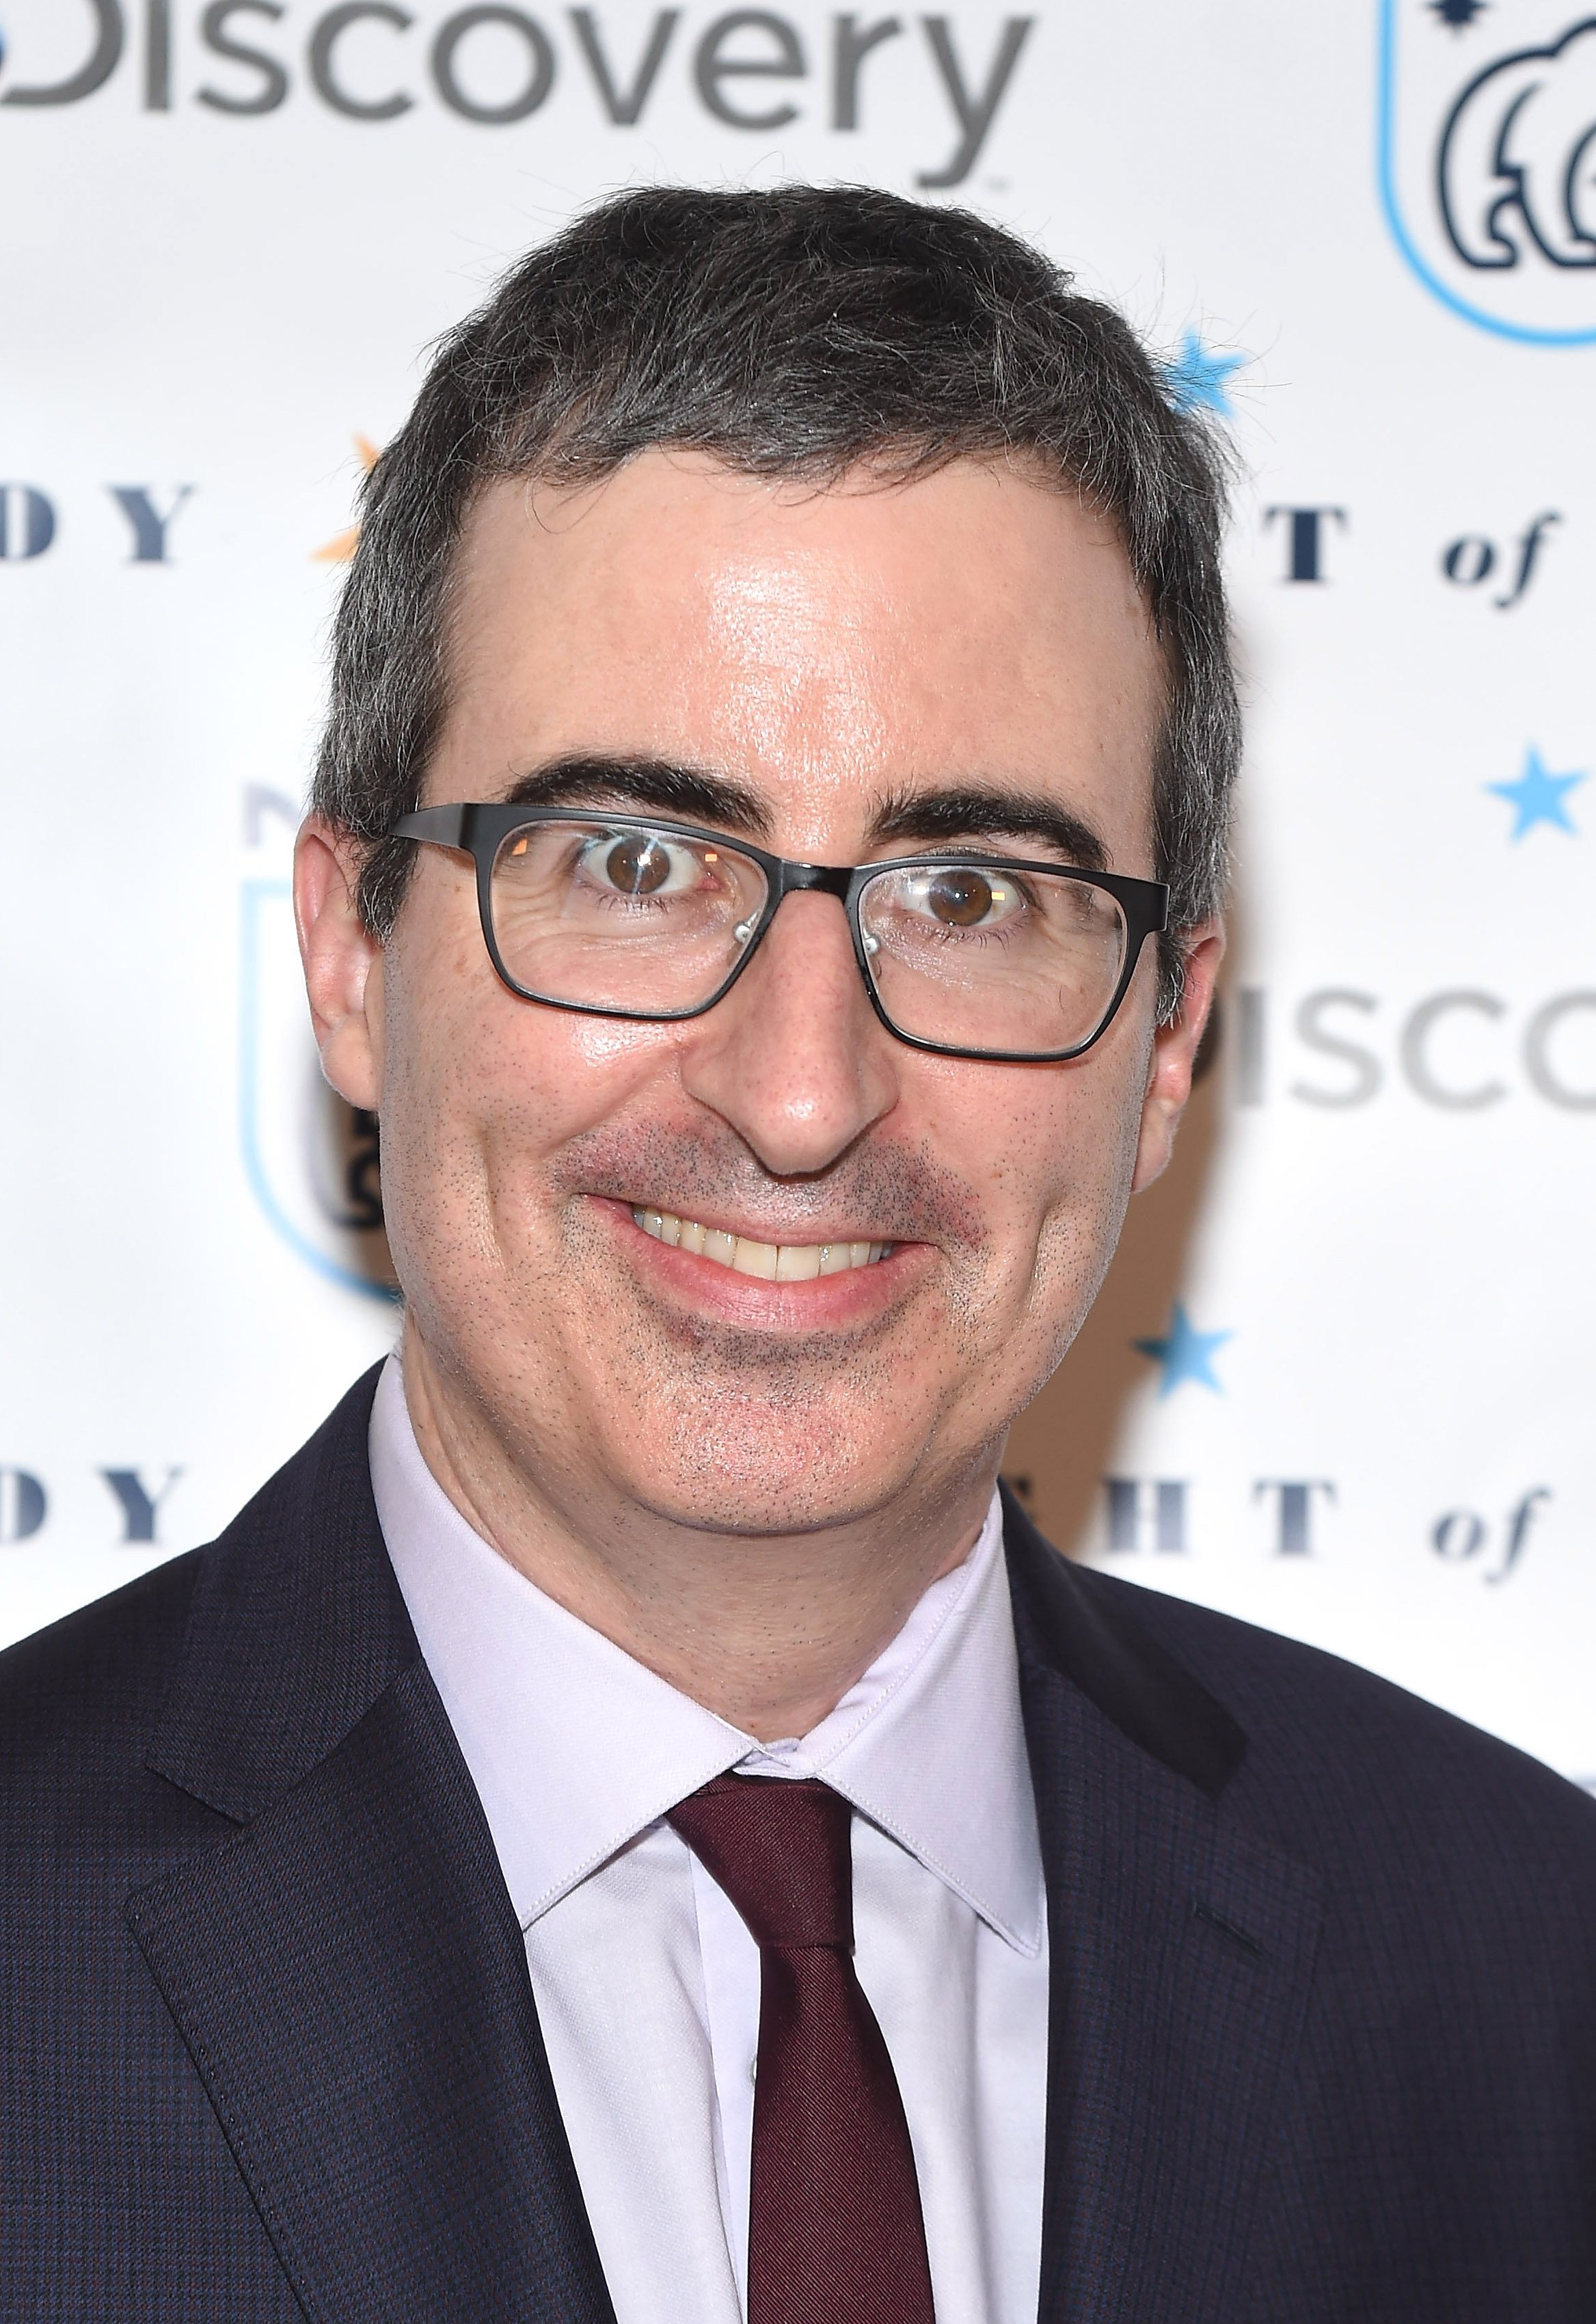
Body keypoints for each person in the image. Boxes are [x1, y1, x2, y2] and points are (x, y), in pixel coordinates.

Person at [3, 186, 1593, 2324]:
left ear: (1167, 1037)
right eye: (639, 861)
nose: (801, 1090)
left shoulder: (1528, 1971)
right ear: (351, 950)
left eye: (972, 893)